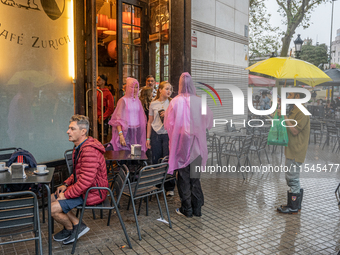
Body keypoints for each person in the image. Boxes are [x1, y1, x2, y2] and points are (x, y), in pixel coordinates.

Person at [51, 115, 108, 244]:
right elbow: (79, 173)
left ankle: (73, 227)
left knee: (52, 208)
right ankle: (74, 226)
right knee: (51, 198)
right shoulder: (80, 147)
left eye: (72, 129)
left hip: (93, 192)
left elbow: (85, 182)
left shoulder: (88, 151)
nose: (68, 131)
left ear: (83, 132)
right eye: (68, 128)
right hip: (85, 188)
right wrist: (66, 184)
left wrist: (66, 195)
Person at [164, 72, 213, 217]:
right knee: (195, 177)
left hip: (181, 145)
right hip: (197, 145)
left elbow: (168, 123)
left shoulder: (174, 102)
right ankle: (197, 209)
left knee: (184, 177)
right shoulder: (199, 101)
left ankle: (187, 209)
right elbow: (209, 121)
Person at [277, 92, 310, 214]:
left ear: (297, 97)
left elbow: (295, 131)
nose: (288, 97)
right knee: (290, 177)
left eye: (290, 95)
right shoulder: (294, 110)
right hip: (291, 149)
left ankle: (294, 207)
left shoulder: (302, 112)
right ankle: (294, 204)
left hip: (296, 150)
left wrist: (285, 116)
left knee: (292, 178)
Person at [146, 81, 175, 196]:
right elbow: (149, 121)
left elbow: (177, 119)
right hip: (156, 133)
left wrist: (168, 115)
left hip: (168, 134)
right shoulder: (153, 103)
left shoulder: (172, 103)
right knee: (156, 159)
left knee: (167, 160)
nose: (169, 91)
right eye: (167, 89)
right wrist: (148, 138)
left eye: (170, 89)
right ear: (160, 90)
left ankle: (170, 187)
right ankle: (157, 185)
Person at [109, 77, 147, 152]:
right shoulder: (123, 100)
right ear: (128, 88)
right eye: (132, 87)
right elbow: (118, 120)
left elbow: (141, 117)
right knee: (125, 152)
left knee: (135, 153)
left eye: (136, 87)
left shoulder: (138, 101)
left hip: (136, 130)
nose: (135, 90)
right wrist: (121, 135)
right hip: (126, 130)